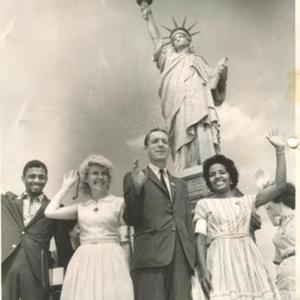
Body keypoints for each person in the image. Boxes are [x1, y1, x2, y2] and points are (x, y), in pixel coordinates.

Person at [194, 133, 288, 299]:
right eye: (212, 174)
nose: (217, 177)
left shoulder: (247, 201)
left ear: (231, 177)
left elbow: (280, 186)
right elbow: (200, 238)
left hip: (248, 260)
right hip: (219, 260)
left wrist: (280, 150)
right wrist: (203, 270)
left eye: (222, 172)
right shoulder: (204, 204)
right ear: (209, 181)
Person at [140, 3, 228, 171]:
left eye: (180, 36)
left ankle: (208, 166)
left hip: (198, 101)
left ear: (189, 39)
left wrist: (221, 70)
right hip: (175, 104)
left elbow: (214, 85)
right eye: (173, 39)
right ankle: (184, 168)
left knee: (202, 128)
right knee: (181, 133)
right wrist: (148, 14)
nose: (176, 39)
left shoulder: (198, 60)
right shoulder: (168, 57)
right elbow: (156, 39)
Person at [44, 154, 134, 300]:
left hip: (111, 258)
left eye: (104, 173)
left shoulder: (119, 202)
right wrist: (65, 187)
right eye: (95, 173)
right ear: (86, 178)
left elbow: (126, 237)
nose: (100, 177)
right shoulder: (81, 207)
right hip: (84, 260)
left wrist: (126, 264)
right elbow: (49, 212)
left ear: (108, 178)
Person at [123, 128, 196, 300]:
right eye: (155, 141)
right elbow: (131, 219)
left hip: (180, 259)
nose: (161, 144)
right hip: (150, 258)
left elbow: (187, 222)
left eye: (164, 141)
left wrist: (191, 260)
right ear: (146, 148)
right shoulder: (134, 177)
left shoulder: (180, 184)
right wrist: (138, 190)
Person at [1, 160, 73, 300]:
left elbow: (63, 246)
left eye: (41, 177)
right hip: (8, 268)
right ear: (23, 178)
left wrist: (69, 275)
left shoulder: (55, 208)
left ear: (46, 179)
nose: (36, 180)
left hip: (38, 270)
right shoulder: (7, 203)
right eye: (32, 176)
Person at [256, 135, 295, 300]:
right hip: (283, 278)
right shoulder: (279, 229)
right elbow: (277, 261)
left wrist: (265, 189)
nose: (267, 209)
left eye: (268, 204)